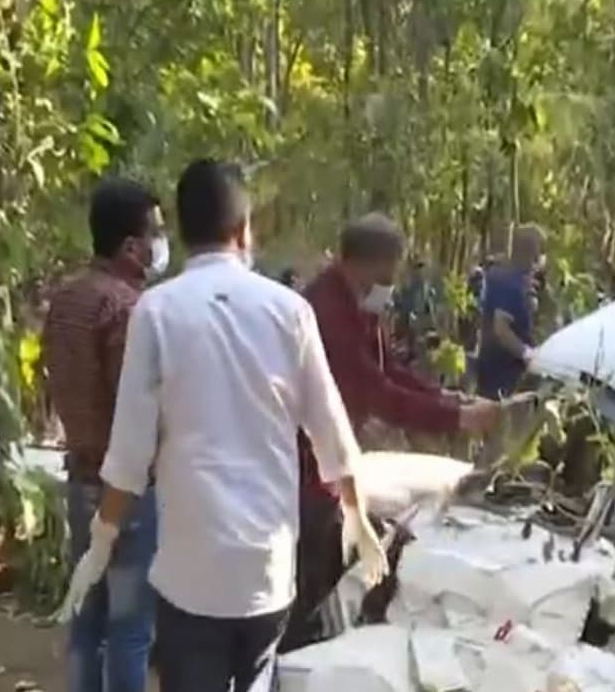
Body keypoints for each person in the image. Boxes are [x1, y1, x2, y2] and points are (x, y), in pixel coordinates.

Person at [58, 159, 387, 692]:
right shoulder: (289, 311)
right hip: (266, 570)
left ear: (183, 234)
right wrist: (358, 517)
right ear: (243, 228)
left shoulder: (156, 312)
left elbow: (130, 453)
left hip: (190, 570)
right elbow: (330, 428)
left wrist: (100, 543)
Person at [285, 212, 502, 651]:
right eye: (387, 274)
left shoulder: (357, 305)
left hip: (329, 462)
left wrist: (449, 399)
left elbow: (391, 369)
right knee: (309, 579)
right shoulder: (327, 313)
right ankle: (295, 658)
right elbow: (376, 391)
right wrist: (455, 418)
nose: (390, 284)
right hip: (306, 464)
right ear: (363, 265)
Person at [42, 179, 168, 692]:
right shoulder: (129, 309)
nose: (162, 244)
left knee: (86, 618)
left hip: (81, 477)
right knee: (130, 629)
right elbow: (135, 404)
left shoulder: (66, 300)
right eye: (157, 233)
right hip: (128, 489)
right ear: (132, 247)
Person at [476, 224, 546, 400]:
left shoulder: (518, 281)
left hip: (507, 371)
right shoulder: (508, 282)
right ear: (533, 253)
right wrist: (527, 354)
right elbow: (501, 328)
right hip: (500, 373)